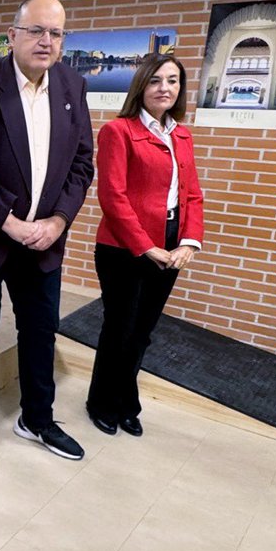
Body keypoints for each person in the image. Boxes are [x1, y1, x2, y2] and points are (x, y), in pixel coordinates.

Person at [0, 0, 95, 462]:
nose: (45, 41)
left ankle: (37, 417)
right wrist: (8, 221)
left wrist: (59, 220)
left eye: (55, 33)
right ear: (12, 36)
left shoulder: (73, 86)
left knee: (40, 330)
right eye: (36, 30)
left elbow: (81, 164)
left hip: (44, 241)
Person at [86, 53, 204, 436]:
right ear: (141, 85)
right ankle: (102, 402)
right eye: (155, 80)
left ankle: (125, 401)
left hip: (170, 243)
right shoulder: (118, 131)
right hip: (123, 246)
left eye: (172, 80)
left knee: (143, 331)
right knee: (120, 328)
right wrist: (145, 246)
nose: (164, 88)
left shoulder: (181, 135)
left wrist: (189, 242)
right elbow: (113, 197)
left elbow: (192, 195)